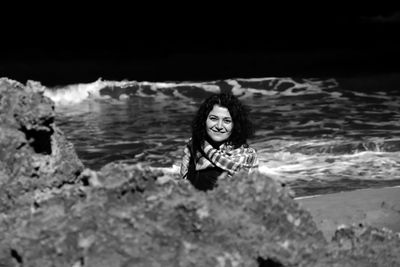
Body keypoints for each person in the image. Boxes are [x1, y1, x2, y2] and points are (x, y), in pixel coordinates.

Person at [180, 92, 258, 191]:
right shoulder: (193, 146)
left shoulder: (247, 157)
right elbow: (182, 186)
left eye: (227, 121)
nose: (219, 126)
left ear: (236, 125)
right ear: (204, 120)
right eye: (213, 119)